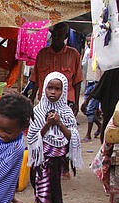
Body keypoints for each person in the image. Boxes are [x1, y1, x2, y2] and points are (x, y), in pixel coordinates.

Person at [27, 71, 83, 203]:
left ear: (64, 91)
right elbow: (33, 138)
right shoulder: (38, 111)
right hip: (41, 165)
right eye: (50, 88)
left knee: (51, 202)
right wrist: (46, 125)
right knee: (43, 200)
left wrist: (58, 123)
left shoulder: (66, 112)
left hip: (57, 165)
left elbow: (72, 137)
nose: (53, 92)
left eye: (58, 89)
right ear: (44, 89)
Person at [29, 22, 83, 179]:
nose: (57, 38)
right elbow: (35, 78)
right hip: (45, 103)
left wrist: (76, 103)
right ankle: (45, 162)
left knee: (65, 133)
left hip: (67, 101)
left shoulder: (73, 55)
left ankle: (64, 166)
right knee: (45, 132)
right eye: (55, 35)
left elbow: (78, 80)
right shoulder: (43, 54)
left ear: (66, 36)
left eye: (60, 35)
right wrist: (31, 99)